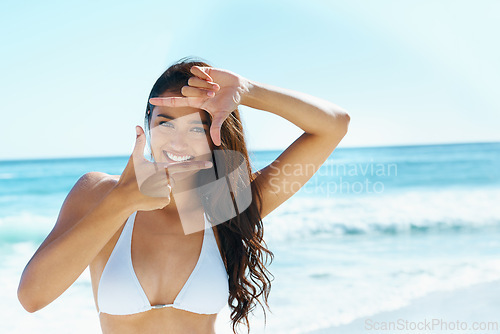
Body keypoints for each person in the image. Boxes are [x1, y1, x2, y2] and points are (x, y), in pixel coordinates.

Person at [17, 58, 350, 334]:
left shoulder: (222, 204)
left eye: (196, 128)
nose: (177, 142)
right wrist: (124, 201)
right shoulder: (100, 193)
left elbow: (333, 125)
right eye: (165, 123)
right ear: (147, 124)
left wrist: (247, 92)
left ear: (216, 135)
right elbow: (32, 297)